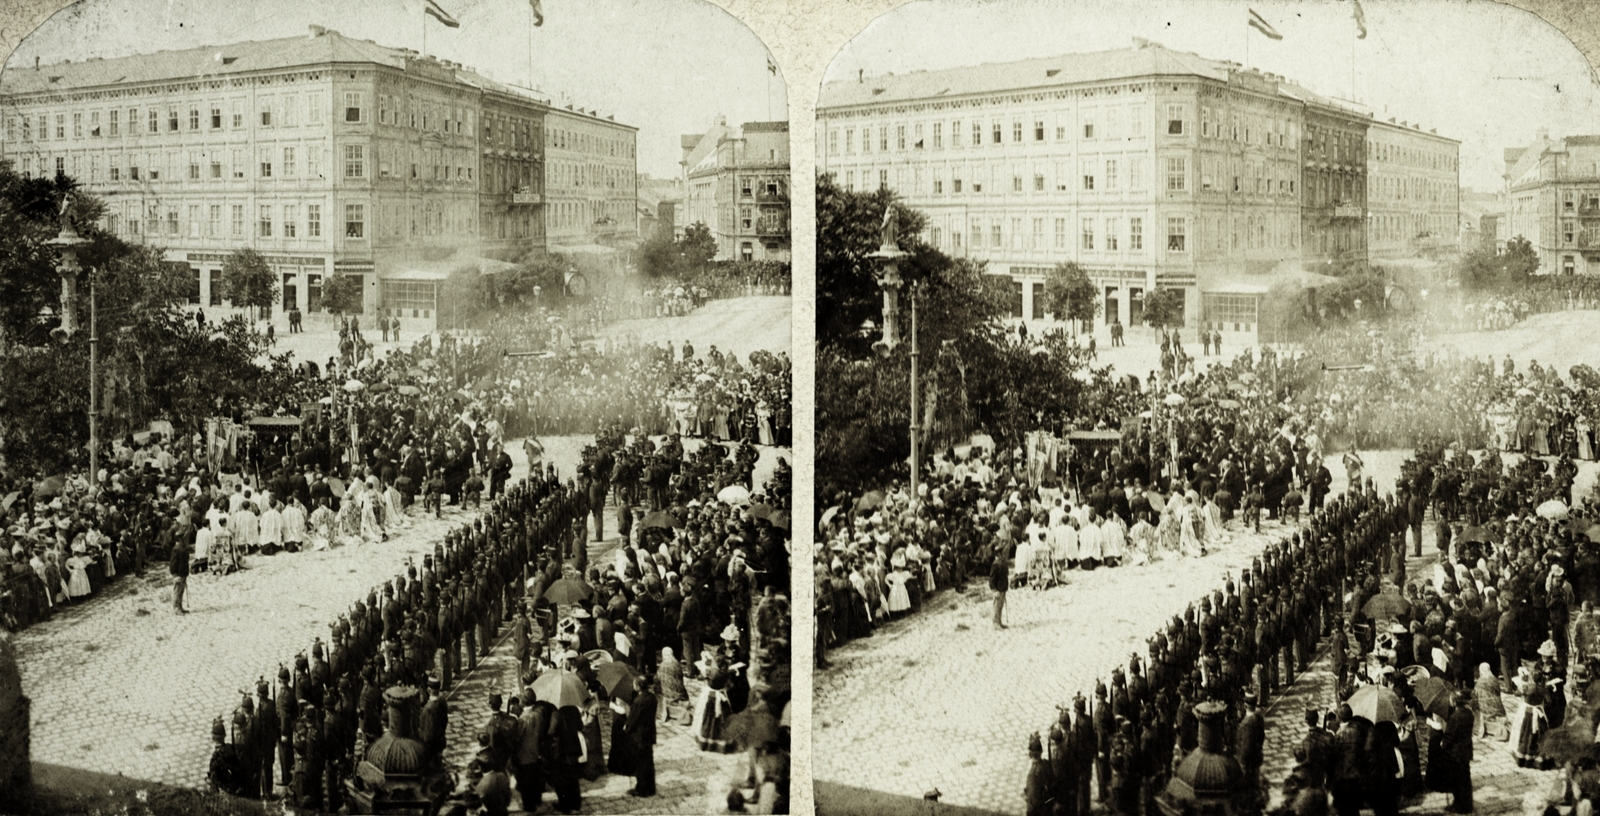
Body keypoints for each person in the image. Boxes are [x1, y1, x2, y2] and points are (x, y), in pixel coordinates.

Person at [1440, 691, 1476, 813]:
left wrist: (1443, 745)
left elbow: (1449, 736)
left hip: (1456, 753)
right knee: (1465, 779)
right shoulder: (1469, 713)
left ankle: (1459, 806)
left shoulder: (1455, 717)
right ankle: (1467, 804)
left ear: (1454, 702)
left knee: (1457, 781)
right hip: (1466, 750)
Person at [624, 675, 658, 797]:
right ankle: (651, 787)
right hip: (649, 733)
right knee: (649, 762)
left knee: (640, 764)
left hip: (639, 737)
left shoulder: (638, 701)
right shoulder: (652, 697)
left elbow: (633, 720)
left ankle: (641, 789)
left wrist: (626, 729)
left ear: (638, 686)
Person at [170, 535, 191, 613]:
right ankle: (176, 608)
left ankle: (180, 606)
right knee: (177, 590)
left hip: (183, 572)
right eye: (183, 537)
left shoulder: (182, 547)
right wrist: (174, 574)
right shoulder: (176, 549)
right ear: (179, 538)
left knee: (181, 591)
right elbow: (173, 563)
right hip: (178, 573)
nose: (185, 538)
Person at [989, 549, 1009, 630]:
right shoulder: (995, 564)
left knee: (1000, 606)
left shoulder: (1002, 562)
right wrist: (994, 590)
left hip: (1002, 587)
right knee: (996, 606)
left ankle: (999, 622)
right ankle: (995, 623)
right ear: (997, 554)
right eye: (1001, 553)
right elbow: (992, 579)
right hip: (998, 588)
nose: (1003, 554)